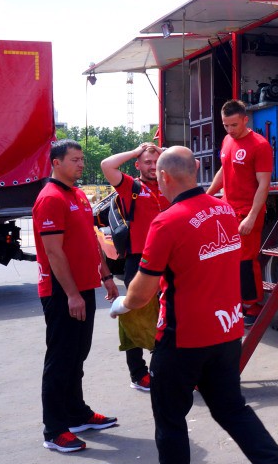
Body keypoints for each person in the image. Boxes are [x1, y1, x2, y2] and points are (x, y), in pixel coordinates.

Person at [109, 146, 278, 464]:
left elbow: (142, 293)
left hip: (183, 341)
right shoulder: (224, 210)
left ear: (164, 177)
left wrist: (124, 302)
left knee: (171, 423)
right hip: (226, 333)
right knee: (234, 411)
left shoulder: (167, 223)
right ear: (195, 172)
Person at [33, 139, 120, 453]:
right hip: (62, 292)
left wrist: (106, 276)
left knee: (77, 355)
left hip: (85, 287)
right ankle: (54, 429)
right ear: (57, 163)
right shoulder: (50, 198)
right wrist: (71, 294)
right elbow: (54, 253)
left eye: (82, 159)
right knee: (60, 359)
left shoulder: (79, 195)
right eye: (75, 159)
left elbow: (91, 239)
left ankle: (77, 413)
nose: (81, 164)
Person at [100, 142, 170, 392]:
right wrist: (136, 151)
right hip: (138, 260)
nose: (152, 167)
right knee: (134, 315)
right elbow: (107, 165)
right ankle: (138, 374)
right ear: (137, 165)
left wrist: (161, 153)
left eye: (156, 162)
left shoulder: (168, 183)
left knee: (168, 315)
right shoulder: (131, 186)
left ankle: (164, 369)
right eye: (146, 162)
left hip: (169, 259)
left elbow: (191, 164)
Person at [206, 99, 273, 321]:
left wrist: (252, 217)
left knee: (246, 260)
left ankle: (253, 306)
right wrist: (207, 196)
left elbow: (264, 184)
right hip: (227, 210)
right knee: (228, 258)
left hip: (247, 212)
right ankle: (236, 302)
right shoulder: (227, 141)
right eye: (226, 125)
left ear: (245, 119)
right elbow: (223, 171)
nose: (230, 130)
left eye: (234, 125)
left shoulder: (260, 145)